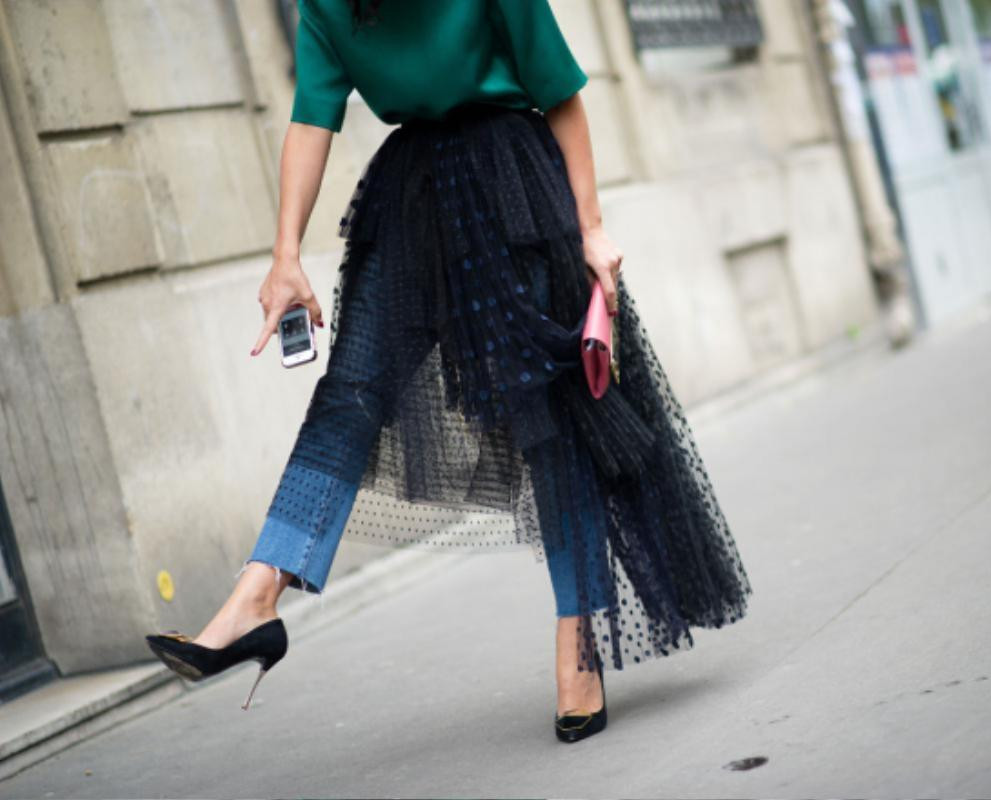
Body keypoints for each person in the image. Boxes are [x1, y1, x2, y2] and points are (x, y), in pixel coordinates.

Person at [145, 0, 752, 744]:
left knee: (549, 419)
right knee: (352, 392)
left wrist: (592, 227)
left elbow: (558, 89)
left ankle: (578, 642)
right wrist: (284, 257)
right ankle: (258, 593)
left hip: (510, 181)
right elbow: (312, 115)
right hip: (412, 195)